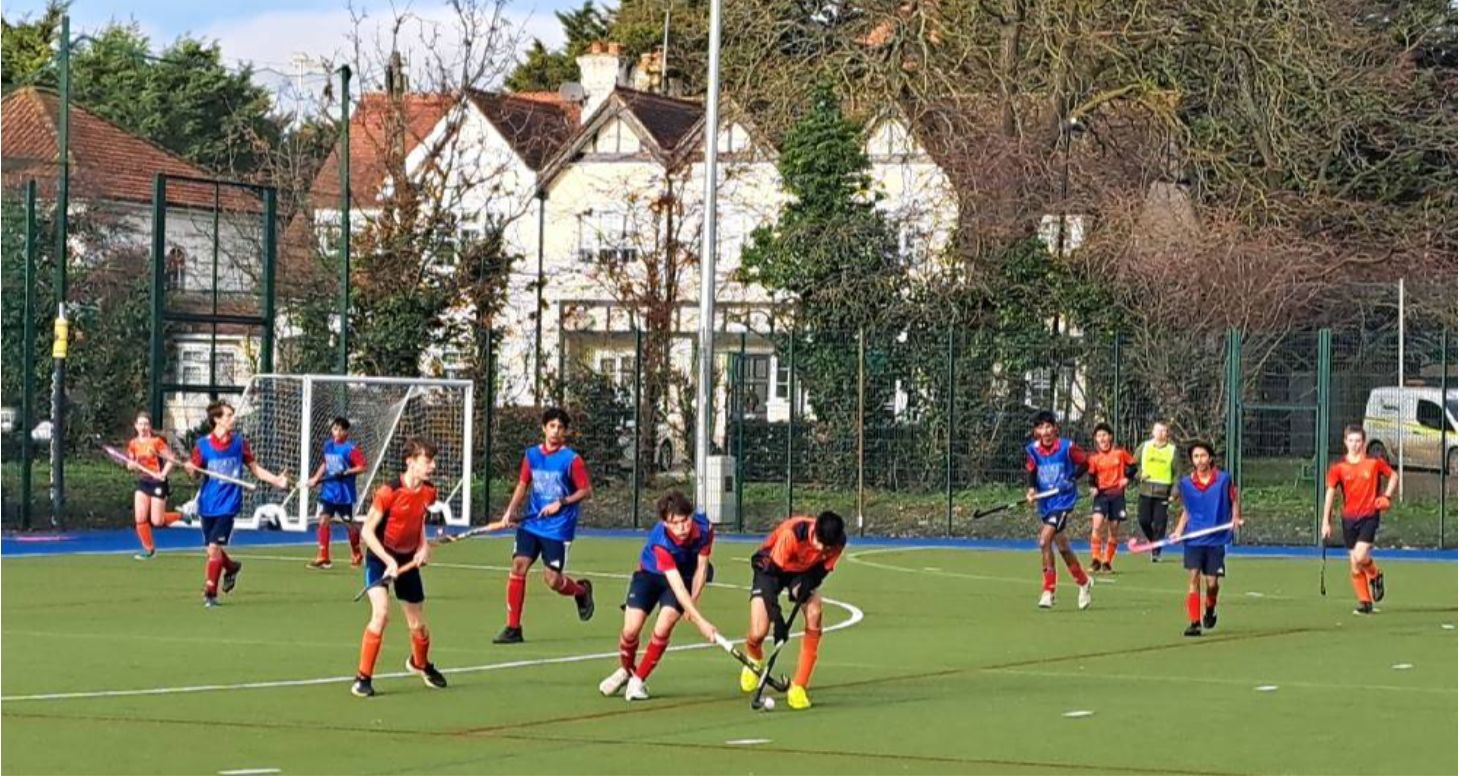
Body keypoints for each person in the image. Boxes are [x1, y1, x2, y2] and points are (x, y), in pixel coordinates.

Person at [486, 407, 595, 643]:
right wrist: (509, 512)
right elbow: (522, 485)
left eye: (560, 428)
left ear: (565, 432)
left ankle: (581, 591)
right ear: (544, 428)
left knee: (553, 580)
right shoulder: (532, 455)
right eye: (552, 426)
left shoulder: (572, 460)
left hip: (558, 527)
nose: (555, 431)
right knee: (518, 566)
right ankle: (513, 627)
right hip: (532, 522)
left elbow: (586, 490)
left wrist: (562, 502)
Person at [598, 491, 719, 701]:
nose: (682, 528)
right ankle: (627, 670)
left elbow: (702, 568)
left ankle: (638, 680)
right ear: (664, 523)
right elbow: (677, 586)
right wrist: (701, 622)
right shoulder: (661, 542)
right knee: (630, 630)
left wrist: (694, 602)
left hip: (685, 576)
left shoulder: (705, 529)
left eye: (685, 521)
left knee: (664, 624)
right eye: (675, 523)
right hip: (650, 575)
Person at [352, 437, 448, 697]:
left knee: (417, 624)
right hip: (379, 558)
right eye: (427, 460)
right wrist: (389, 561)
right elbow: (367, 532)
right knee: (381, 613)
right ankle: (363, 678)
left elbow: (418, 523)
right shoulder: (388, 492)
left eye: (432, 460)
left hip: (408, 559)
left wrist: (423, 547)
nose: (433, 466)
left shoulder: (428, 492)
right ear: (410, 462)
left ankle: (420, 664)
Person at [738, 511, 847, 711]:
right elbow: (771, 579)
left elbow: (821, 570)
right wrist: (778, 620)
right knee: (759, 631)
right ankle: (754, 656)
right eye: (819, 543)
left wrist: (810, 582)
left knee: (814, 612)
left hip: (801, 573)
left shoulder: (837, 542)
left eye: (827, 547)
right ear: (814, 531)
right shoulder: (793, 533)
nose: (822, 549)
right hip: (771, 567)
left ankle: (798, 687)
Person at [184, 400, 289, 607]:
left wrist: (277, 480)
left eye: (232, 415)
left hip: (228, 504)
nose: (233, 419)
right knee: (210, 550)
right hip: (208, 504)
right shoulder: (202, 445)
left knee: (214, 548)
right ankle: (231, 567)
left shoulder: (239, 443)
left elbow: (255, 469)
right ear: (217, 419)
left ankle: (210, 593)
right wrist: (190, 468)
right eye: (229, 415)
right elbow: (195, 475)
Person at [1322, 425, 1397, 615]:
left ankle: (1375, 574)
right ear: (1345, 442)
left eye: (1358, 441)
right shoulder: (1338, 468)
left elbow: (1393, 476)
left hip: (1369, 516)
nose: (1355, 445)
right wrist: (1326, 521)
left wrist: (1386, 496)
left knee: (1360, 556)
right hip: (1349, 518)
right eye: (1351, 441)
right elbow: (1330, 495)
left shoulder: (1374, 463)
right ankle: (1365, 602)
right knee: (1354, 563)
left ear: (1363, 443)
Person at [1024, 411, 1094, 610]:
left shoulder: (1066, 447)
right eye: (1041, 427)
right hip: (1046, 503)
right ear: (1036, 431)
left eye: (1048, 426)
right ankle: (1083, 581)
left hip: (1063, 501)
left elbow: (1086, 462)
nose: (1045, 431)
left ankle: (1049, 590)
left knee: (1044, 540)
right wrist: (1031, 491)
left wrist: (1071, 479)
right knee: (1063, 547)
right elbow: (1032, 471)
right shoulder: (1033, 450)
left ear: (1055, 428)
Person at [1172, 441, 1242, 637]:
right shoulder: (1186, 483)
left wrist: (1235, 517)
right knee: (1193, 578)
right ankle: (1194, 622)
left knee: (1212, 583)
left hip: (1216, 539)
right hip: (1194, 538)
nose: (1200, 460)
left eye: (1203, 456)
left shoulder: (1223, 480)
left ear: (1210, 458)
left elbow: (1234, 500)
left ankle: (1210, 609)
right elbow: (1187, 510)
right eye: (1196, 457)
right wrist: (1179, 530)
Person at [306, 417, 367, 569]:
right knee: (323, 520)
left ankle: (356, 551)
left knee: (349, 524)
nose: (337, 432)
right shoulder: (328, 446)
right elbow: (325, 464)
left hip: (344, 494)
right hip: (329, 492)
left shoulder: (350, 449)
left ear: (346, 432)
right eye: (335, 429)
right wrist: (315, 478)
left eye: (341, 429)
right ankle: (323, 556)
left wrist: (347, 471)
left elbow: (362, 467)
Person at [126, 411, 179, 560]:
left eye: (146, 424)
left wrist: (163, 473)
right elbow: (130, 464)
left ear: (149, 426)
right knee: (140, 518)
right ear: (136, 426)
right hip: (143, 482)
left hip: (158, 482)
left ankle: (181, 515)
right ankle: (149, 550)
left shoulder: (156, 442)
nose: (143, 427)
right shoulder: (133, 444)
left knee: (157, 521)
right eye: (140, 424)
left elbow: (171, 459)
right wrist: (132, 465)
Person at [1086, 422, 1136, 573]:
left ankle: (1107, 561)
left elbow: (1133, 466)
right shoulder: (1094, 458)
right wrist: (1093, 487)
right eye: (1099, 436)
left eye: (1104, 435)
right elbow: (1091, 476)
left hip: (1117, 496)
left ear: (1110, 437)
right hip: (1101, 496)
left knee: (1113, 529)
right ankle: (1095, 559)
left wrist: (1127, 478)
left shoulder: (1120, 453)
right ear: (1096, 439)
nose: (1102, 438)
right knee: (1097, 524)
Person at [1133, 421, 1180, 561]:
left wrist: (1174, 493)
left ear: (1167, 433)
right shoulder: (1144, 447)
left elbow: (1177, 474)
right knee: (1144, 520)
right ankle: (1154, 542)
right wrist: (1139, 475)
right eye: (1158, 430)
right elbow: (1132, 465)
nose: (1161, 433)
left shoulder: (1172, 450)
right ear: (1153, 432)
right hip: (1145, 491)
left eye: (1164, 431)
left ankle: (1156, 552)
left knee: (1160, 523)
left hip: (1163, 494)